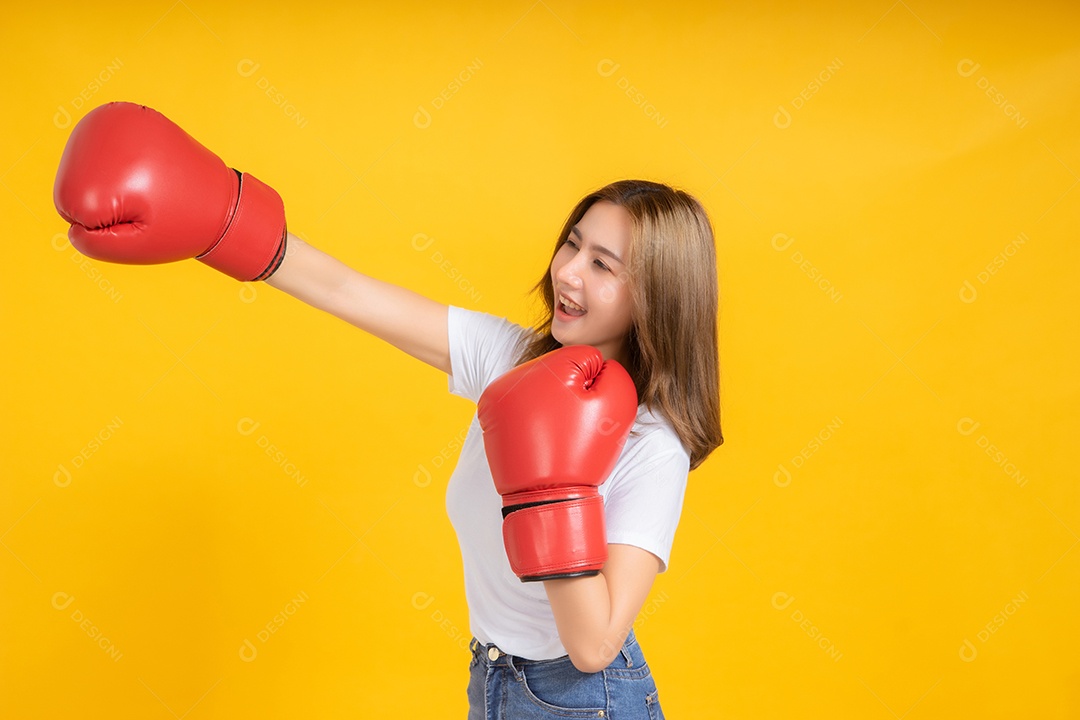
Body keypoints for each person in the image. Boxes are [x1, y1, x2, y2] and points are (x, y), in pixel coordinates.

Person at [53, 101, 724, 719]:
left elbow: (594, 646)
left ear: (655, 297)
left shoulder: (651, 446)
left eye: (603, 264)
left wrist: (553, 486)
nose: (568, 271)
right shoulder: (513, 359)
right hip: (493, 678)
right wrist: (218, 219)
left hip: (587, 700)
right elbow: (350, 292)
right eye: (573, 243)